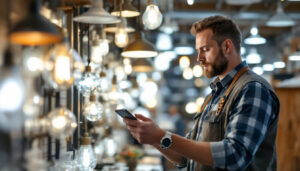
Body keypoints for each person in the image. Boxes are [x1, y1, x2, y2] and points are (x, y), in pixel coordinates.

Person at [123, 15, 279, 171]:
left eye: (205, 49)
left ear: (227, 47)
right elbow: (185, 157)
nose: (199, 58)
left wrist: (162, 136)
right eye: (198, 51)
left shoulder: (252, 89)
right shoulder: (215, 94)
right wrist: (153, 139)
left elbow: (234, 156)